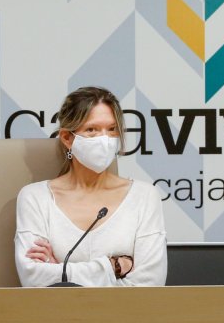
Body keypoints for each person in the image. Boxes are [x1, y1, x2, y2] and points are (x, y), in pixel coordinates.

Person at [15, 86, 167, 287]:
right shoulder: (35, 198)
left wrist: (61, 272)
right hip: (55, 317)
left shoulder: (144, 196)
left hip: (126, 317)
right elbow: (33, 279)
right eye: (91, 130)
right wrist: (113, 267)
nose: (104, 139)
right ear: (68, 138)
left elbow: (150, 284)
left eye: (112, 129)